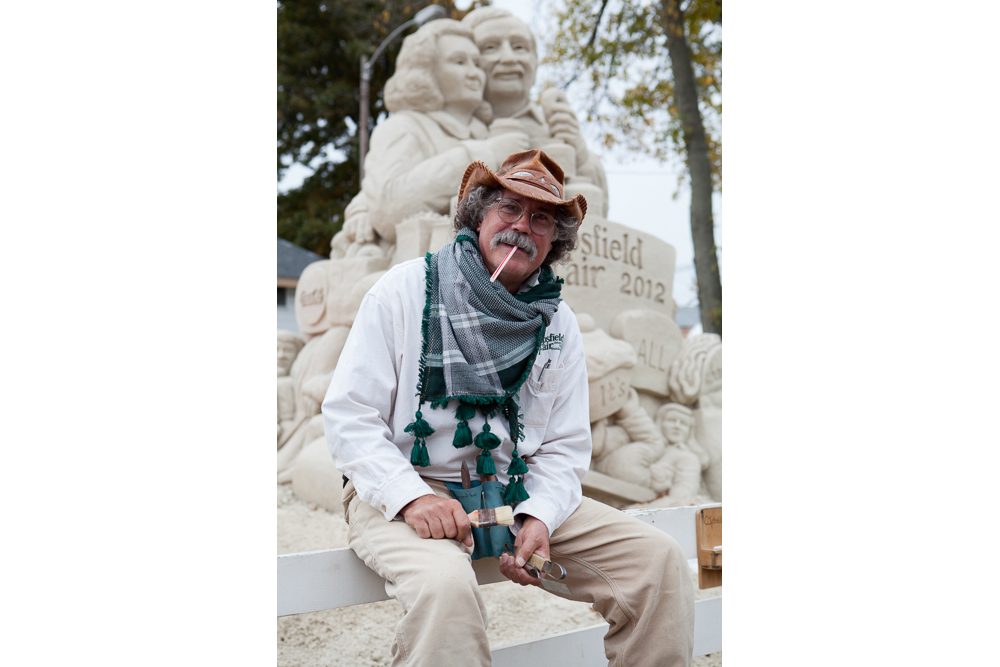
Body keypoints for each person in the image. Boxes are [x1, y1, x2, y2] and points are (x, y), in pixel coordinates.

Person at [323, 149, 694, 667]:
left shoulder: (559, 323)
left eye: (541, 219)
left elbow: (564, 447)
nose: (522, 226)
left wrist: (539, 515)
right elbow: (349, 415)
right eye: (509, 208)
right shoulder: (403, 290)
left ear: (554, 241)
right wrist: (411, 497)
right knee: (446, 588)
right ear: (478, 216)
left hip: (517, 493)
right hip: (405, 487)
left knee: (659, 561)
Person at [332, 18, 529, 257]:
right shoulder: (403, 127)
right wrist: (484, 155)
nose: (474, 74)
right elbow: (389, 208)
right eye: (459, 62)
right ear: (426, 71)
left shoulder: (487, 132)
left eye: (477, 64)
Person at [462, 7, 609, 216]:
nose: (508, 58)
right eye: (490, 48)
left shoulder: (555, 126)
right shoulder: (449, 124)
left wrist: (580, 152)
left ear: (535, 59)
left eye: (519, 47)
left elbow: (600, 210)